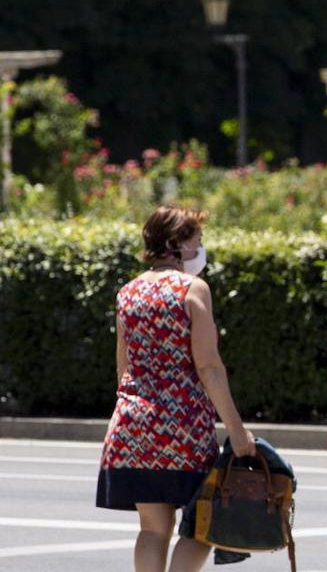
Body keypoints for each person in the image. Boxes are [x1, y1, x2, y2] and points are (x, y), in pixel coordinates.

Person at [96, 205, 256, 572]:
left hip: (133, 425)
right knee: (202, 525)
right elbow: (208, 366)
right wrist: (236, 428)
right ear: (177, 244)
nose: (200, 246)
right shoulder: (193, 289)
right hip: (181, 428)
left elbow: (124, 367)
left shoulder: (128, 292)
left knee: (152, 529)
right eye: (196, 239)